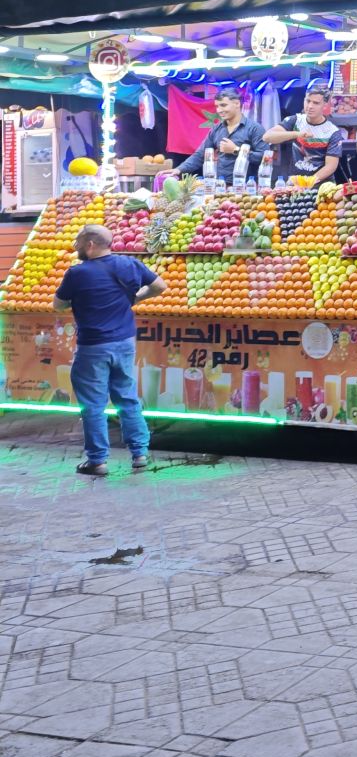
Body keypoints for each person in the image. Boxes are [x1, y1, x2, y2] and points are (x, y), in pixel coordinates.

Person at [52, 224, 168, 476]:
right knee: (127, 397)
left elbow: (58, 304)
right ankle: (139, 454)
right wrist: (135, 299)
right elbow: (160, 286)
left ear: (90, 245)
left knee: (93, 404)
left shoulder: (76, 273)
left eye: (79, 242)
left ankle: (97, 460)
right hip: (124, 343)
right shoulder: (129, 265)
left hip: (93, 346)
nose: (76, 246)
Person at [174, 87, 266, 179]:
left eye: (223, 105)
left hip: (248, 187)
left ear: (237, 103)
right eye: (217, 106)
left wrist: (236, 150)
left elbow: (264, 158)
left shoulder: (254, 128)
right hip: (220, 186)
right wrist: (178, 170)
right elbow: (200, 154)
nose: (219, 110)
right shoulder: (216, 129)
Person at [263, 85, 346, 184]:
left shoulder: (333, 131)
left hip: (320, 185)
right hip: (295, 182)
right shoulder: (295, 120)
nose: (310, 106)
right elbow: (267, 137)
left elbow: (330, 166)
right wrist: (297, 134)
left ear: (325, 105)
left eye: (316, 103)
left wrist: (308, 182)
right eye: (308, 101)